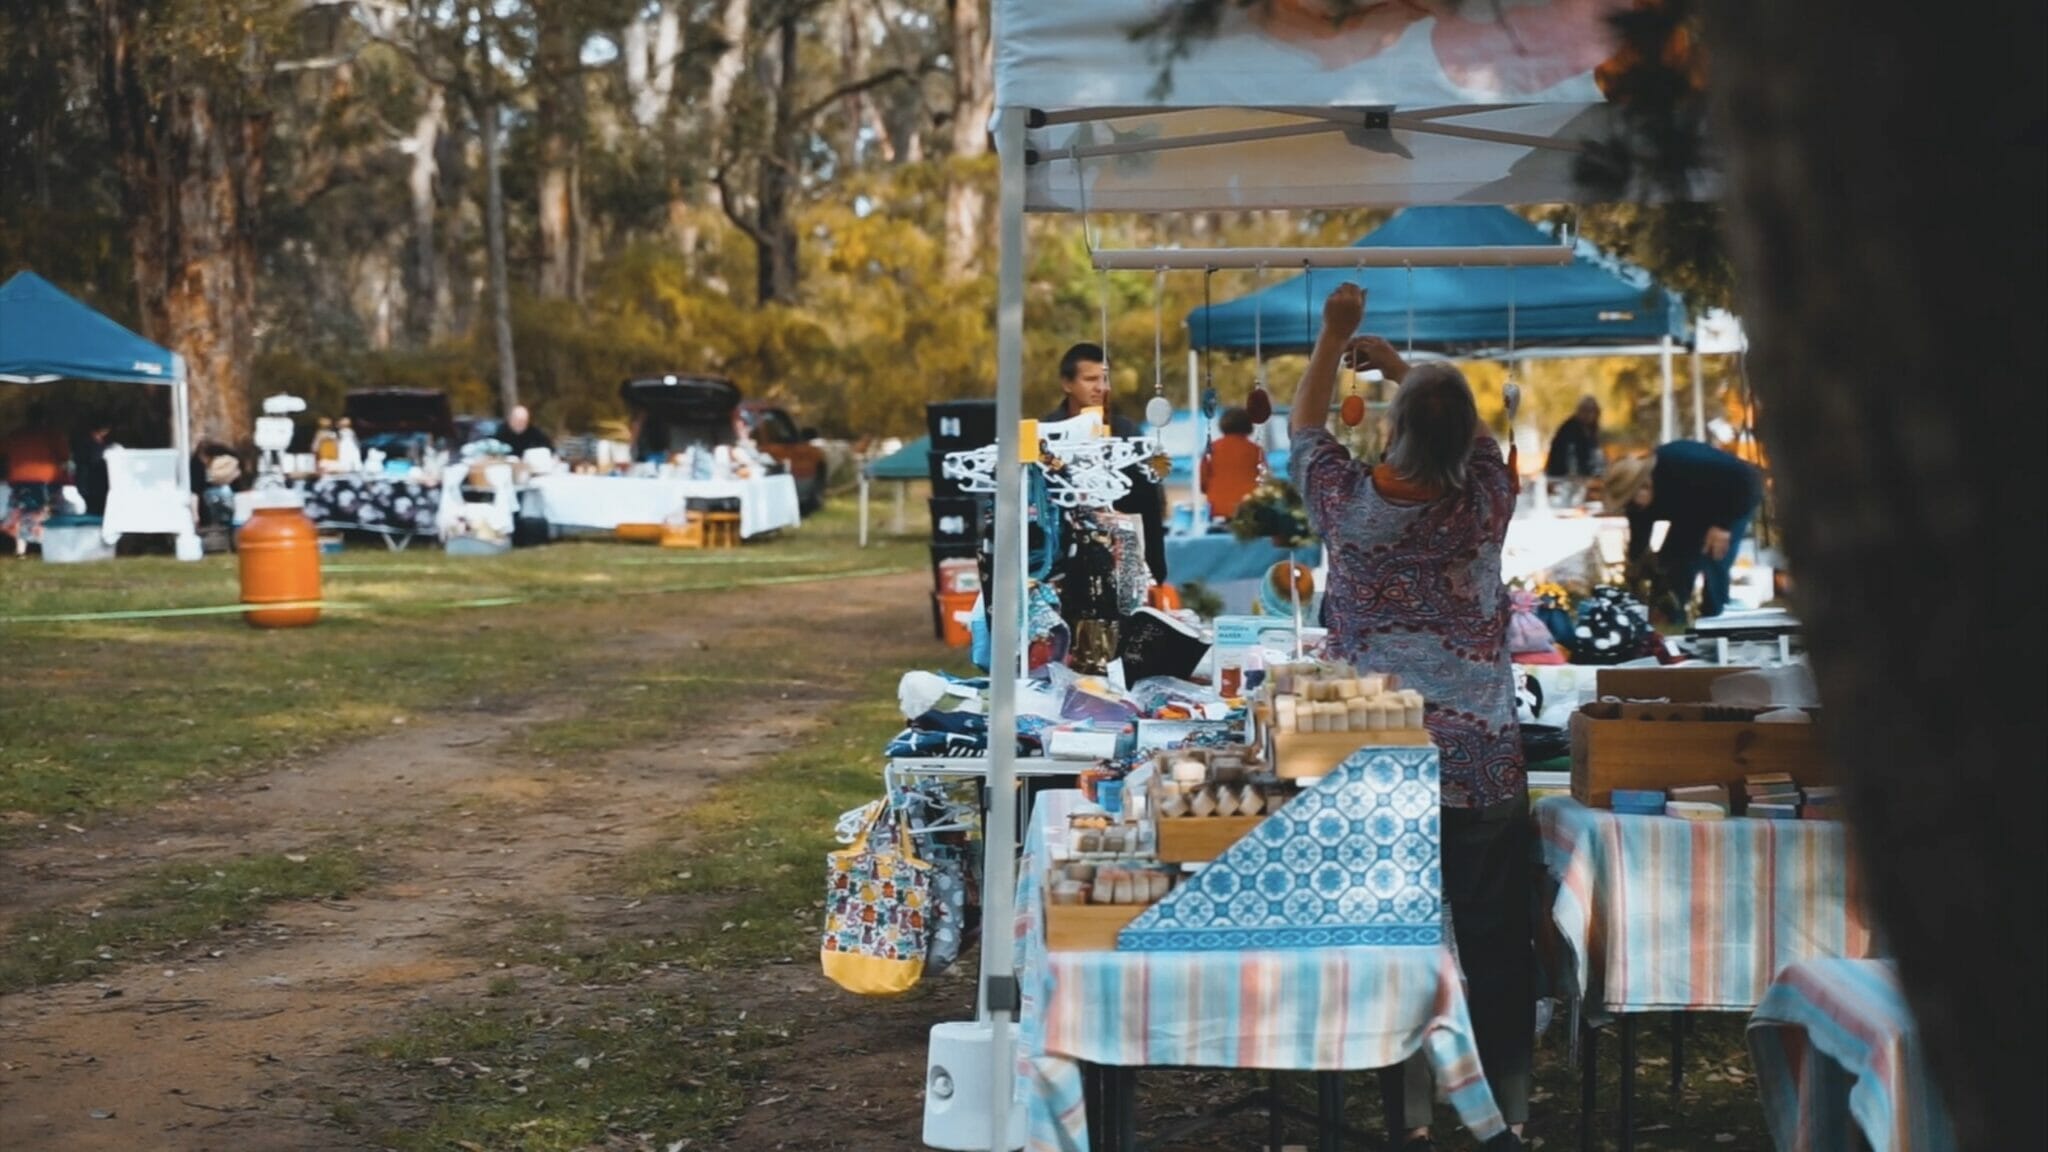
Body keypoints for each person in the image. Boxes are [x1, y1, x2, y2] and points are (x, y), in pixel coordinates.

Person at [1289, 284, 1531, 1150]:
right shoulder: (1488, 500)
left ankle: (1413, 1115)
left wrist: (1334, 338)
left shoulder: (1348, 506)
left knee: (1396, 937)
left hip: (1379, 760)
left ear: (1391, 432)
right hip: (1482, 757)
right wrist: (1403, 370)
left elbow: (1304, 427)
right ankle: (1508, 1105)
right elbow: (1479, 438)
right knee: (1495, 938)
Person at [1041, 342, 1167, 584]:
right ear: (1067, 384)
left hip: (1121, 555)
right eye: (1090, 379)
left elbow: (1150, 500)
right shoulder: (1046, 433)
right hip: (1059, 559)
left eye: (1105, 379)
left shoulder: (1126, 432)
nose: (1101, 387)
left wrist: (1154, 566)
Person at [1601, 440, 1764, 619]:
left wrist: (1722, 526)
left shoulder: (1682, 462)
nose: (1630, 509)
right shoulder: (1637, 506)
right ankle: (1669, 616)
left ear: (1645, 486)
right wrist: (1635, 567)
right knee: (1673, 563)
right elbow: (1639, 535)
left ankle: (1715, 616)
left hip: (1733, 496)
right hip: (1690, 510)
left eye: (1630, 502)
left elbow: (1747, 479)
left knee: (1714, 561)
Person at [3, 402, 71, 555]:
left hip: (18, 480)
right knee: (44, 512)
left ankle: (20, 549)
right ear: (44, 418)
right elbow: (65, 456)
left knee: (19, 512)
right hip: (47, 480)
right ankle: (45, 546)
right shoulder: (53, 435)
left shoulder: (16, 434)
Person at [1199, 405, 1265, 521]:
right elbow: (1264, 478)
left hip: (1218, 507)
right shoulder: (1255, 450)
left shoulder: (1212, 448)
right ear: (1248, 425)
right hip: (1248, 507)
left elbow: (1203, 481)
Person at [1543, 395, 1605, 482]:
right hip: (1559, 476)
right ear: (1579, 411)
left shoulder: (1591, 429)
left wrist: (1600, 472)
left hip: (1580, 475)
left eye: (1591, 411)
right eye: (1584, 410)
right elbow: (1570, 457)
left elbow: (1595, 455)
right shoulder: (1569, 428)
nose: (1588, 414)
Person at [70, 417, 115, 516]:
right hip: (88, 480)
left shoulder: (94, 442)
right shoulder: (89, 442)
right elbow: (92, 459)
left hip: (92, 480)